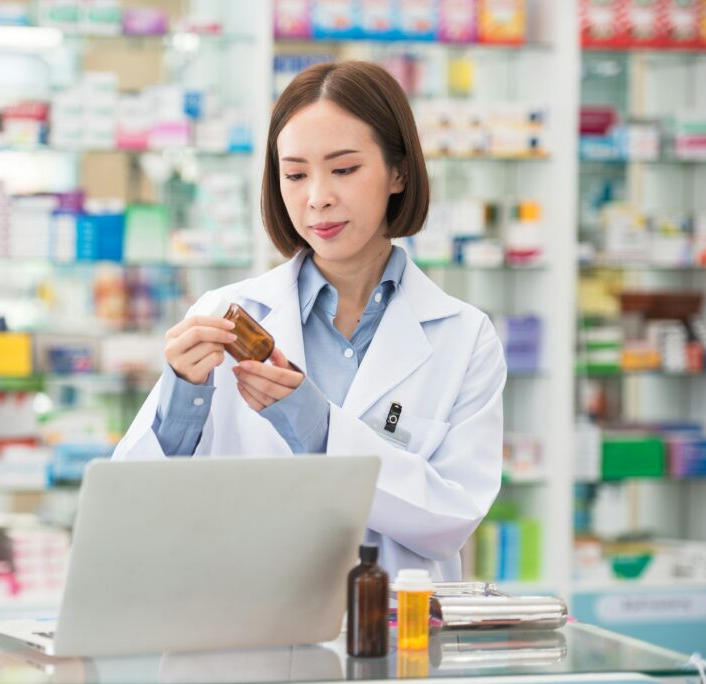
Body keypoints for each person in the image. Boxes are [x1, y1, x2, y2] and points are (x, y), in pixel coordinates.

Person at [112, 60, 505, 582]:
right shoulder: (223, 316)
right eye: (295, 174)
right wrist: (181, 401)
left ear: (399, 172)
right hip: (245, 632)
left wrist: (319, 428)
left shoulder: (463, 336)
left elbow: (451, 520)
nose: (317, 196)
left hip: (389, 631)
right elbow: (130, 511)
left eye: (344, 169)